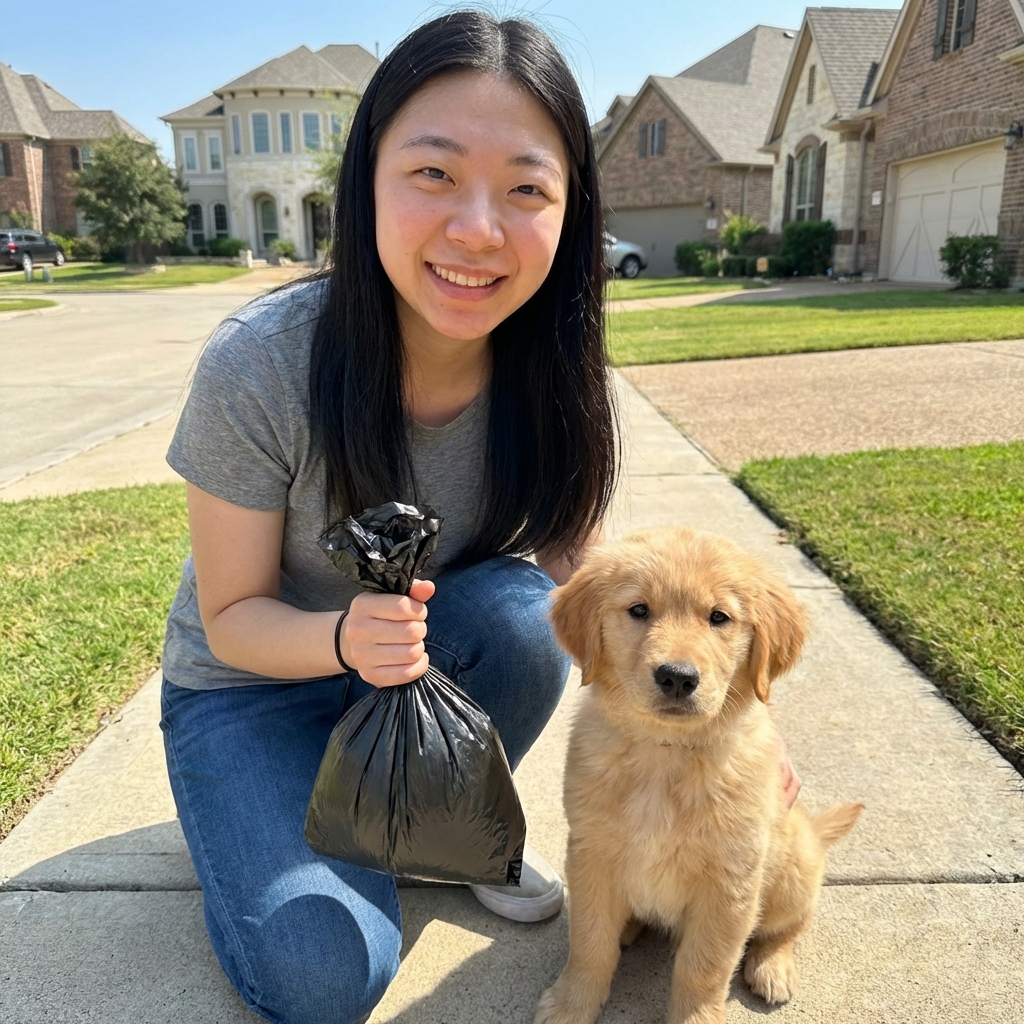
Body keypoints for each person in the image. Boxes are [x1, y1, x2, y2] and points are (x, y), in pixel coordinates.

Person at [158, 12, 617, 1024]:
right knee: (322, 976)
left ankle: (429, 831)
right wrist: (337, 636)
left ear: (570, 210)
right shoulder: (261, 365)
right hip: (249, 688)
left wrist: (734, 725)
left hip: (418, 667)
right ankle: (259, 813)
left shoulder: (554, 369)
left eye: (527, 188)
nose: (478, 230)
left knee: (528, 617)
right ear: (365, 176)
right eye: (435, 174)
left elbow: (582, 569)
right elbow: (231, 615)